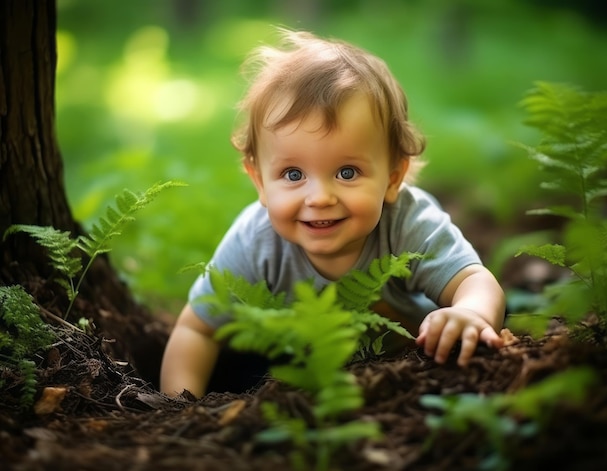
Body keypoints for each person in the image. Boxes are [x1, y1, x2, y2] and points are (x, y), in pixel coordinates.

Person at [160, 28, 506, 398]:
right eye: (293, 175)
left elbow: (476, 281)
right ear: (259, 181)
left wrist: (471, 313)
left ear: (393, 177)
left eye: (347, 172)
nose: (320, 197)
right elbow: (196, 328)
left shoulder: (408, 221)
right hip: (302, 377)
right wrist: (179, 407)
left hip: (409, 366)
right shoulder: (255, 241)